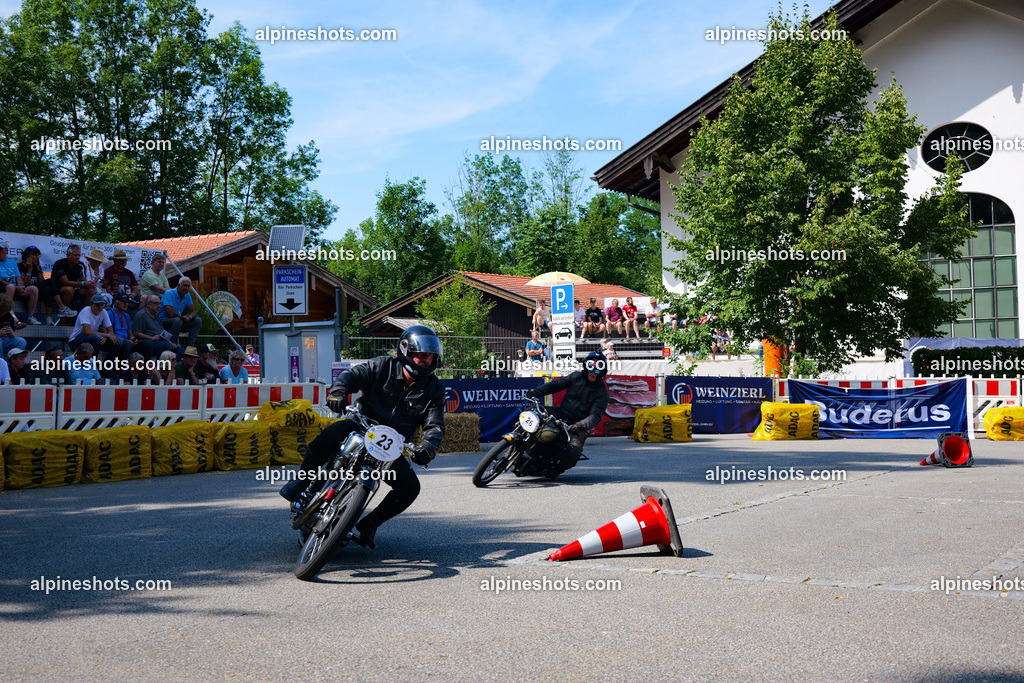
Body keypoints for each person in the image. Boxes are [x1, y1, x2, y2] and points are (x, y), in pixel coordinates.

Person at [279, 325, 445, 549]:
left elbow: (435, 424)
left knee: (410, 489)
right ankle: (304, 482)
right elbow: (353, 375)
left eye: (431, 356)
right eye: (422, 355)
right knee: (329, 435)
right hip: (360, 426)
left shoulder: (434, 389)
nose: (427, 360)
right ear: (406, 351)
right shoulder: (383, 365)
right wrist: (338, 391)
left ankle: (369, 524)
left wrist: (428, 448)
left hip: (390, 446)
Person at [523, 351, 609, 472]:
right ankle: (520, 444)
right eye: (590, 368)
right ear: (586, 366)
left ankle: (555, 469)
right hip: (562, 412)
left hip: (576, 423)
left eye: (597, 370)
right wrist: (536, 392)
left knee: (574, 450)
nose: (593, 372)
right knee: (531, 412)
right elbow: (556, 385)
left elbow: (596, 416)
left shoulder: (602, 393)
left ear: (602, 372)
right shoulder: (575, 376)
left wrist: (580, 425)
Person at [70, 294, 130, 359]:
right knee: (97, 337)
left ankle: (108, 365)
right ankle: (93, 363)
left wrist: (106, 338)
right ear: (91, 304)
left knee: (118, 341)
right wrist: (107, 335)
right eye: (97, 305)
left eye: (102, 305)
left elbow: (111, 332)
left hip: (93, 339)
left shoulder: (104, 312)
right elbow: (87, 331)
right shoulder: (85, 311)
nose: (100, 307)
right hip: (76, 340)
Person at [0, 241, 40, 324]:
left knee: (33, 289)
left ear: (7, 251)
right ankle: (11, 316)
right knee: (11, 286)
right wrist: (16, 287)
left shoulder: (12, 262)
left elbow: (18, 279)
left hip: (15, 289)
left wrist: (21, 287)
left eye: (1, 249)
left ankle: (30, 317)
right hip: (4, 290)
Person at [50, 244, 94, 317]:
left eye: (79, 255)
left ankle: (85, 315)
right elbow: (65, 282)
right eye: (75, 255)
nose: (77, 257)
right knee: (69, 289)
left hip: (75, 288)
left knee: (90, 290)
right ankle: (62, 312)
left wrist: (90, 283)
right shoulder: (60, 264)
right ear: (68, 255)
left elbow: (83, 280)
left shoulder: (80, 265)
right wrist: (83, 283)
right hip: (58, 289)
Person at [133, 294, 181, 359]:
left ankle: (173, 366)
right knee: (165, 346)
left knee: (181, 351)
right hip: (149, 342)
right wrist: (152, 338)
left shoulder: (156, 316)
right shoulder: (141, 315)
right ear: (148, 304)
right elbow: (137, 333)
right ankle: (160, 366)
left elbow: (161, 331)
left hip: (161, 341)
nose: (159, 306)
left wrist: (170, 342)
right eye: (156, 303)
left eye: (160, 304)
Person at [158, 277, 202, 348]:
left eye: (188, 286)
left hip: (177, 321)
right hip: (162, 321)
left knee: (197, 320)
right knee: (178, 321)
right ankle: (173, 345)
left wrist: (189, 317)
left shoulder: (187, 295)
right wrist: (182, 317)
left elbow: (193, 311)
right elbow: (171, 314)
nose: (187, 288)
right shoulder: (169, 293)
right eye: (185, 285)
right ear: (179, 285)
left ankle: (190, 347)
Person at [17, 245, 47, 324]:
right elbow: (24, 284)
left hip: (37, 292)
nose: (37, 257)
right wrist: (29, 269)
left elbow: (42, 282)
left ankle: (51, 316)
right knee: (36, 288)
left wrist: (38, 270)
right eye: (34, 255)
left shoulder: (37, 267)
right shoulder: (20, 266)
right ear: (28, 257)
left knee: (49, 287)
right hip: (25, 291)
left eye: (38, 255)